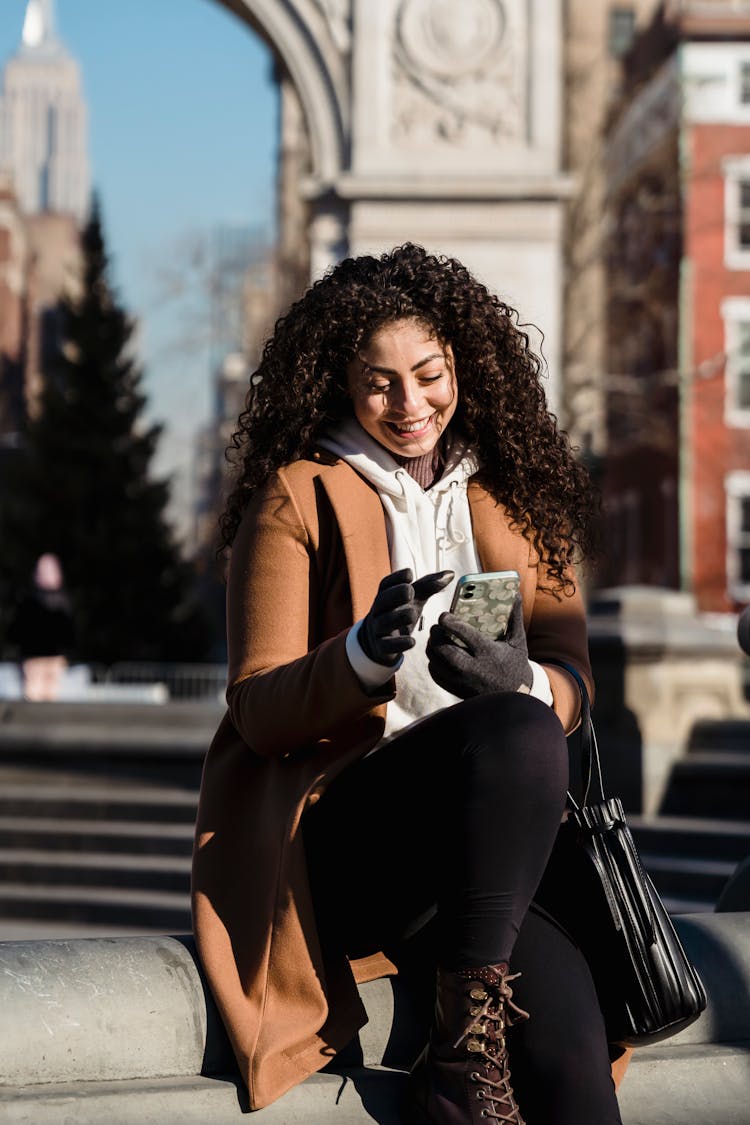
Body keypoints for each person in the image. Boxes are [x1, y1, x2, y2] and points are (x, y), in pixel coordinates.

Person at [192, 244, 628, 1123]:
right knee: (513, 731)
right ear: (339, 384)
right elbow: (257, 706)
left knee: (575, 1064)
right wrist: (360, 655)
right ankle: (467, 1052)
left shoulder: (515, 500)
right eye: (378, 383)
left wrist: (529, 679)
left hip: (484, 853)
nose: (410, 405)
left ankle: (466, 1058)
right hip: (356, 840)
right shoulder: (297, 495)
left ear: (464, 366)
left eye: (429, 375)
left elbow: (576, 676)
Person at [8, 553, 75, 701]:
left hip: (54, 659)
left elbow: (69, 632)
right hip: (34, 659)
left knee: (50, 700)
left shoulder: (62, 601)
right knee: (33, 699)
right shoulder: (30, 600)